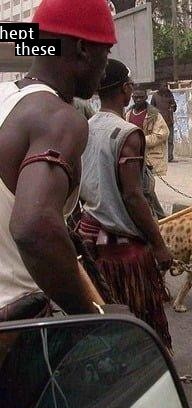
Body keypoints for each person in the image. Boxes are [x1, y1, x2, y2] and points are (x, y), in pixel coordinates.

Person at [0, 0, 116, 321]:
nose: (106, 67)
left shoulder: (5, 97)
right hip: (15, 326)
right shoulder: (59, 118)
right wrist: (90, 315)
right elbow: (33, 226)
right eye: (105, 53)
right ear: (82, 49)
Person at [78, 59, 173, 351]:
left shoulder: (85, 127)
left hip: (89, 236)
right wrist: (159, 244)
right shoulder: (127, 133)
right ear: (126, 88)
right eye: (131, 85)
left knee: (104, 317)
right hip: (122, 249)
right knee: (138, 317)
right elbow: (133, 196)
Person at [126, 87, 169, 219]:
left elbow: (162, 134)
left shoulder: (154, 115)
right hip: (133, 157)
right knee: (142, 189)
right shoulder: (128, 113)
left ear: (146, 97)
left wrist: (141, 140)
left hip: (149, 157)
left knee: (147, 188)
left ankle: (160, 217)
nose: (138, 100)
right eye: (136, 97)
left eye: (141, 97)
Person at [151, 83, 178, 162]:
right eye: (164, 86)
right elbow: (151, 108)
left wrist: (173, 107)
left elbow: (175, 107)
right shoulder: (155, 96)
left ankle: (169, 157)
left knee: (170, 140)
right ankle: (160, 156)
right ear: (160, 87)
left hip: (169, 121)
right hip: (159, 122)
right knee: (160, 140)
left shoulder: (169, 95)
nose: (165, 88)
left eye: (166, 86)